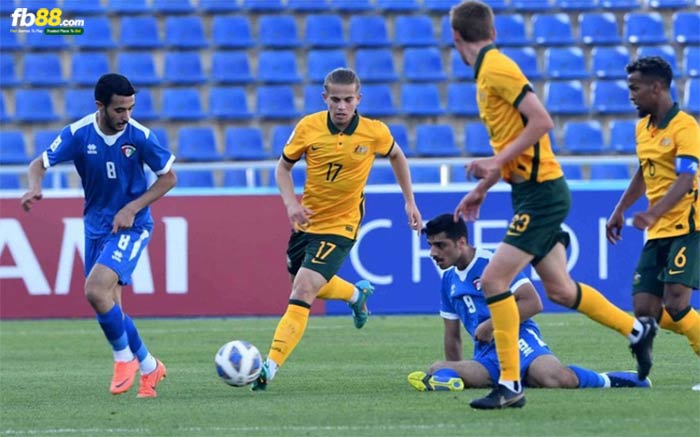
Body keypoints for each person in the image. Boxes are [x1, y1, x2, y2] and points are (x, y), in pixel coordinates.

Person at [449, 0, 657, 409]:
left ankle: (509, 385)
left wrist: (493, 164)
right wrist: (485, 186)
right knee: (560, 290)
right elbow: (515, 144)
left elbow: (542, 121)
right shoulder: (487, 72)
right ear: (491, 30)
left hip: (542, 193)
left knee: (493, 282)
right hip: (529, 191)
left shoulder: (496, 69)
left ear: (456, 37)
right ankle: (636, 331)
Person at [252, 67, 423, 390]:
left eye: (348, 100)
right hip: (307, 220)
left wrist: (409, 201)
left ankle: (269, 366)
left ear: (358, 99)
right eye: (335, 100)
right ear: (325, 99)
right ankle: (356, 294)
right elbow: (283, 168)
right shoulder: (308, 127)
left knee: (302, 289)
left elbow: (397, 156)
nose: (342, 106)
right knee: (306, 283)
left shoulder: (374, 133)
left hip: (342, 223)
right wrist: (291, 204)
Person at [21, 73, 176, 398]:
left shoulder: (140, 136)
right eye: (119, 110)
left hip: (132, 226)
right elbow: (39, 163)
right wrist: (35, 187)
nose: (126, 117)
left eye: (130, 109)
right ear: (100, 106)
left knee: (94, 291)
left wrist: (133, 208)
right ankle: (150, 367)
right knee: (109, 304)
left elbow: (169, 178)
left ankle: (124, 360)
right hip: (96, 227)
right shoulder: (78, 134)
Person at [408, 214, 651, 398]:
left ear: (461, 242)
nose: (433, 252)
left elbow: (533, 303)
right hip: (486, 355)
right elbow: (452, 336)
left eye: (440, 245)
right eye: (430, 245)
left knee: (553, 378)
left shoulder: (492, 263)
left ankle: (611, 379)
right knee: (438, 367)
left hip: (520, 339)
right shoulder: (448, 280)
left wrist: (492, 325)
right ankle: (448, 379)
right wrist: (457, 369)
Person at [606, 57, 699, 368]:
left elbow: (686, 179)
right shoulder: (642, 129)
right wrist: (620, 209)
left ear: (656, 87)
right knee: (645, 310)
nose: (631, 95)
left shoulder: (685, 126)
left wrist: (654, 212)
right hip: (658, 230)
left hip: (689, 226)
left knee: (676, 301)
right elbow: (644, 172)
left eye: (635, 88)